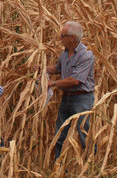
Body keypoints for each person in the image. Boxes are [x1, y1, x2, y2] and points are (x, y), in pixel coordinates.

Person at [44, 21, 95, 161]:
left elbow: (75, 80)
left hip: (82, 99)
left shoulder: (86, 55)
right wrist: (42, 68)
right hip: (67, 98)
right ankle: (59, 167)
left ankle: (92, 167)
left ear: (72, 38)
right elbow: (57, 69)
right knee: (60, 134)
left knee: (84, 133)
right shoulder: (65, 53)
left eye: (62, 35)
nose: (60, 38)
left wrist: (52, 83)